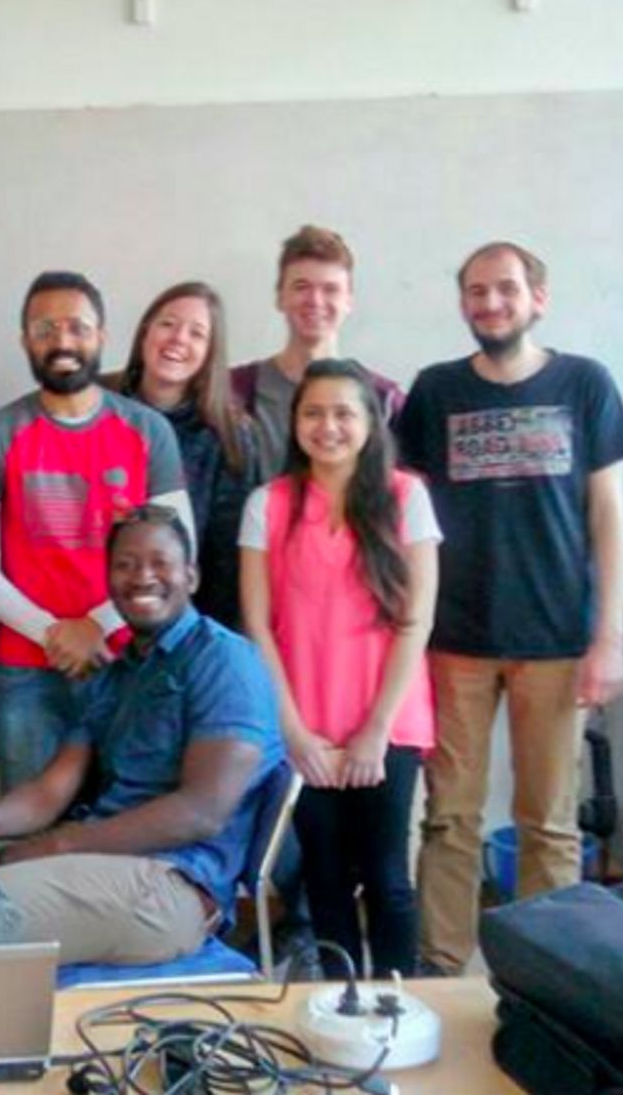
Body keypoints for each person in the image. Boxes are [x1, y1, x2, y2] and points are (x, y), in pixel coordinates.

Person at [0, 506, 283, 965]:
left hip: (168, 886)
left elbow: (201, 813)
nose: (142, 576)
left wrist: (59, 845)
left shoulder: (225, 662)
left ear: (191, 576)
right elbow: (51, 790)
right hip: (87, 855)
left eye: (160, 563)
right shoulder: (116, 676)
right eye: (125, 565)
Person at [395, 241, 623, 975]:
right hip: (456, 641)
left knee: (550, 825)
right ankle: (442, 971)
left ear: (539, 297)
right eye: (475, 291)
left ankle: (547, 974)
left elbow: (608, 517)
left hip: (557, 641)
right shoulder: (434, 391)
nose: (489, 304)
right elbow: (404, 516)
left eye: (504, 289)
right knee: (450, 821)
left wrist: (610, 638)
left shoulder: (585, 383)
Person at [0, 271, 192, 791]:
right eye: (44, 329)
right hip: (27, 670)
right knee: (28, 838)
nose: (62, 341)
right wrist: (53, 633)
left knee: (129, 825)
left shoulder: (149, 431)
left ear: (101, 337)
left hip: (132, 661)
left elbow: (177, 557)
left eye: (77, 327)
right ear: (25, 341)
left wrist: (96, 627)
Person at [239, 359, 439, 978]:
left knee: (386, 877)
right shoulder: (267, 504)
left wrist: (376, 731)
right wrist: (295, 734)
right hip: (305, 729)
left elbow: (415, 621)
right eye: (313, 413)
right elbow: (258, 628)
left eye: (343, 413)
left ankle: (401, 1005)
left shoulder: (407, 496)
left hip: (389, 724)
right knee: (323, 876)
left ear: (370, 422)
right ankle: (340, 1003)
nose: (328, 426)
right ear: (295, 422)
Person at [109, 281, 263, 632]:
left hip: (183, 627)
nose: (179, 338)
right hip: (90, 621)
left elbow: (227, 558)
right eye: (168, 324)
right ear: (145, 330)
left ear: (210, 352)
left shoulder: (231, 433)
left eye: (197, 333)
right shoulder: (98, 405)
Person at [230, 226, 405, 478]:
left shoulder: (384, 401)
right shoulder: (233, 393)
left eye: (330, 289)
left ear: (349, 301)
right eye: (301, 286)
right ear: (280, 297)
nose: (315, 300)